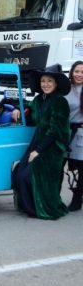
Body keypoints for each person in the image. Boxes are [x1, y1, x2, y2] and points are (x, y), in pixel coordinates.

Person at [12, 64, 70, 220]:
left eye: (49, 81)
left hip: (52, 147)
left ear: (56, 83)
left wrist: (38, 152)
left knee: (32, 173)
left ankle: (43, 208)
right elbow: (30, 114)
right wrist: (18, 109)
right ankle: (29, 207)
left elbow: (55, 131)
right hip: (38, 142)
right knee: (20, 172)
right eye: (43, 81)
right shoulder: (39, 99)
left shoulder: (60, 102)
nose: (46, 84)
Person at [65, 61, 83, 211]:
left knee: (82, 169)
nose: (79, 74)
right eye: (77, 71)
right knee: (59, 167)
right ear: (71, 72)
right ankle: (53, 198)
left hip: (81, 134)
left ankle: (77, 198)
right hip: (65, 133)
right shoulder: (65, 88)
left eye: (82, 72)